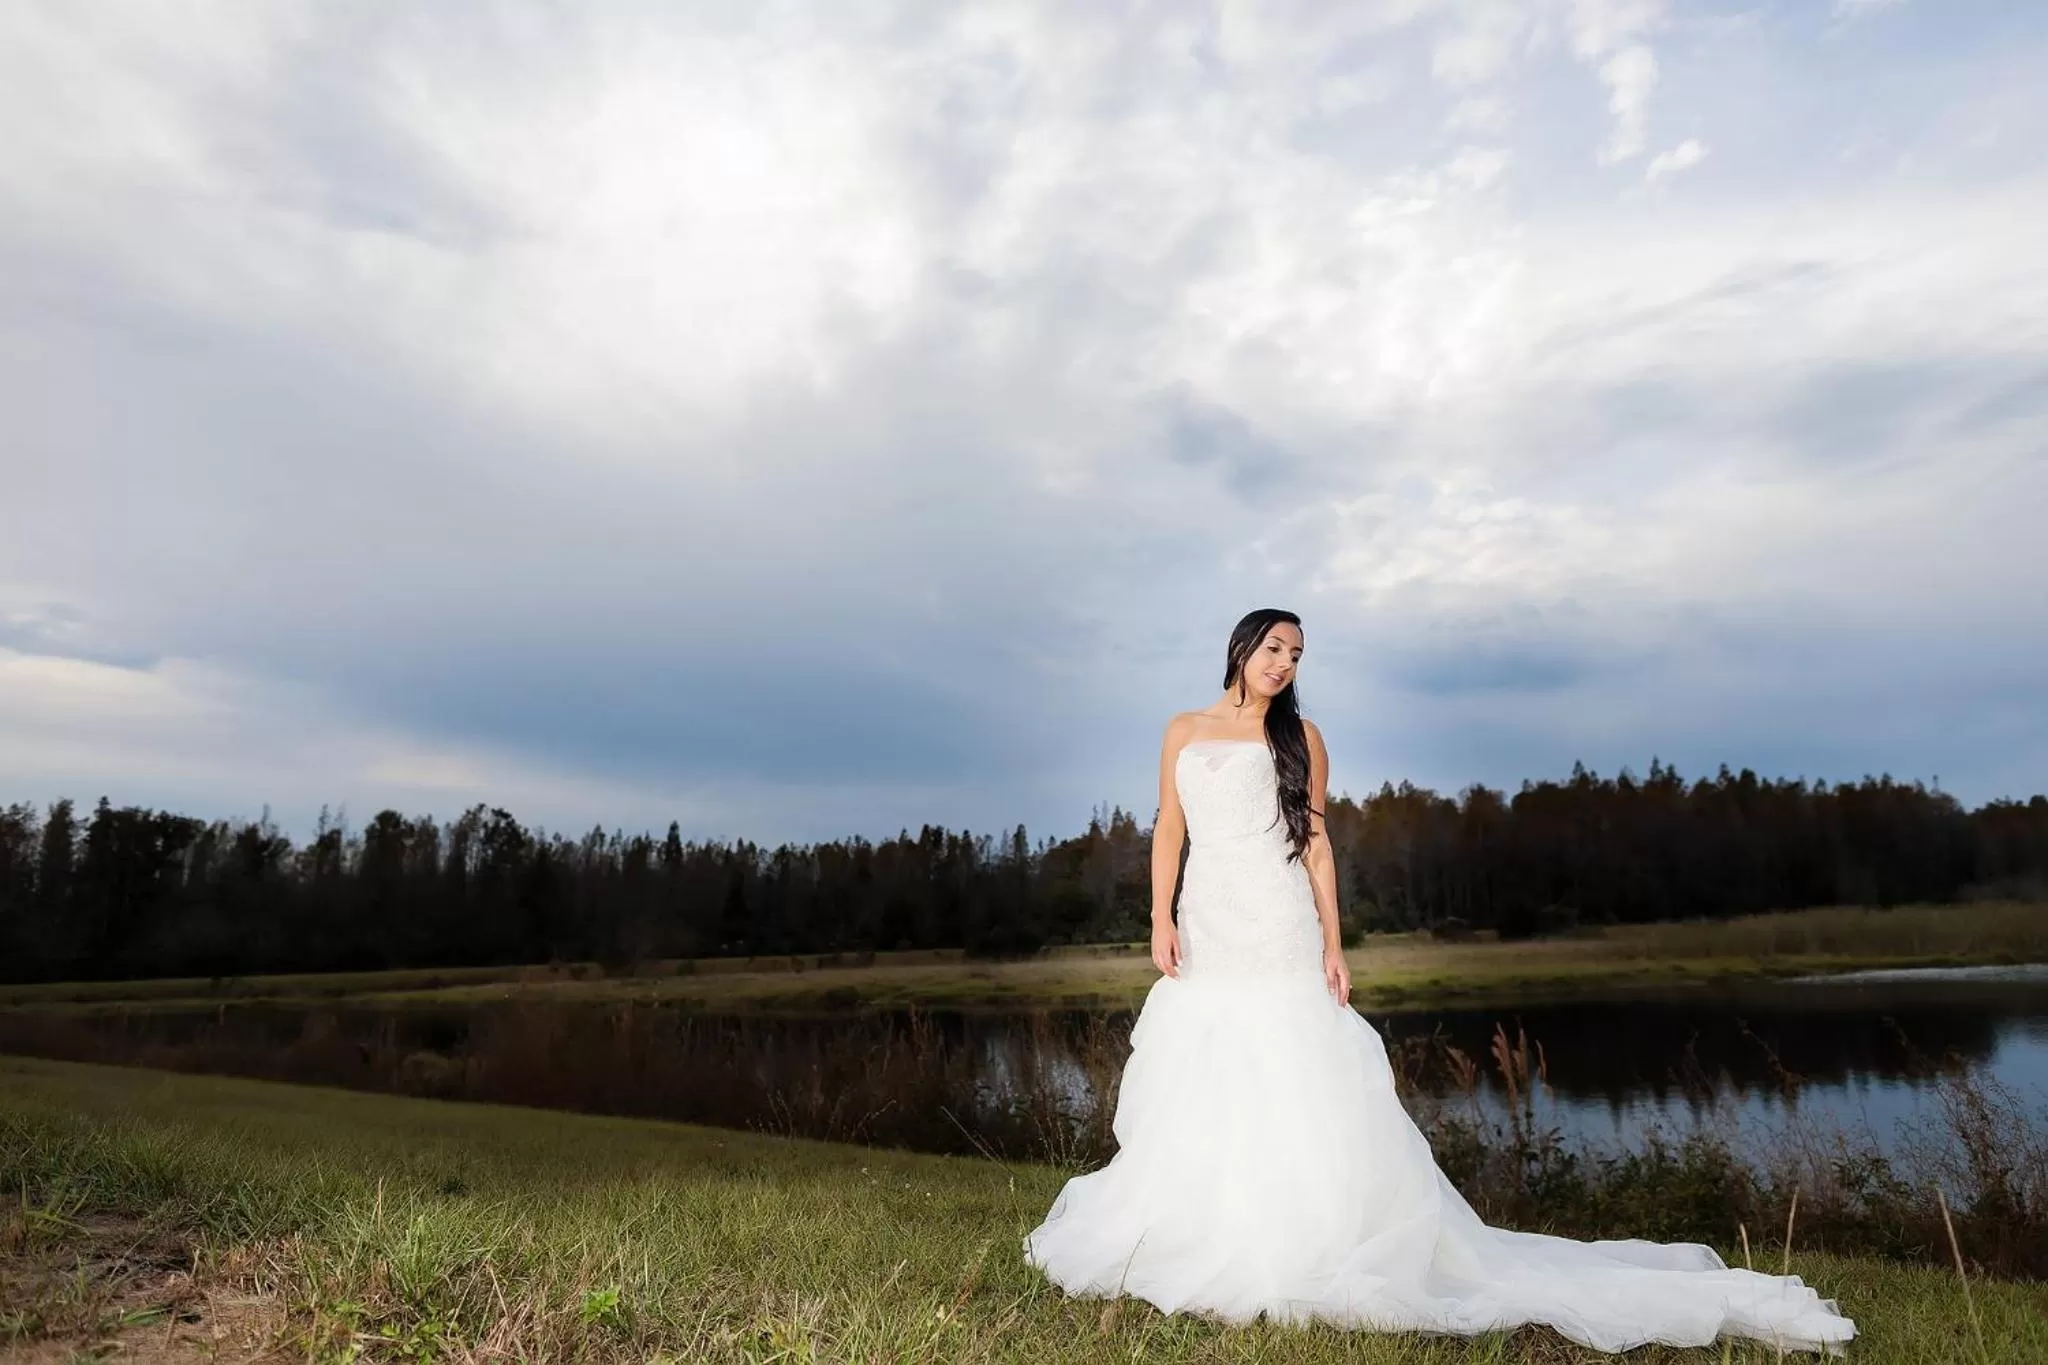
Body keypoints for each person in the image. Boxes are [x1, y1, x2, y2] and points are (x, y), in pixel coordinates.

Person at [1021, 608, 1856, 1355]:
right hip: (1208, 922)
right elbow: (1170, 825)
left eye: (1298, 653)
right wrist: (1159, 916)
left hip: (1278, 926)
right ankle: (1196, 1223)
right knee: (1209, 1066)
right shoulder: (1183, 728)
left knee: (1293, 1066)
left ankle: (1297, 1241)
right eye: (1274, 647)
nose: (1285, 663)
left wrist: (1334, 945)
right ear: (1240, 648)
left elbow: (1317, 845)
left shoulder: (1301, 741)